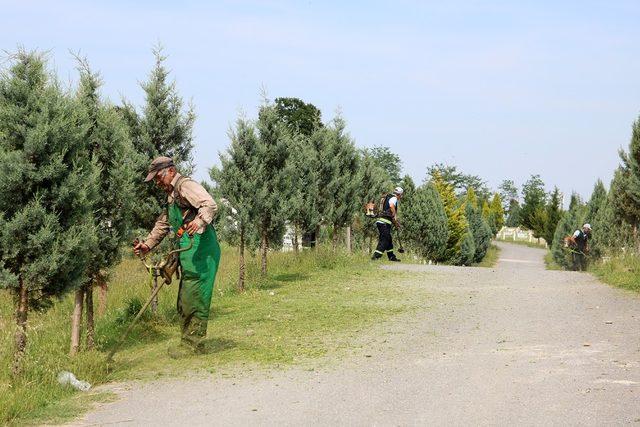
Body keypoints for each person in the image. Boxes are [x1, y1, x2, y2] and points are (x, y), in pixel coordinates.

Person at [133, 156, 221, 358]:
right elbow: (163, 223)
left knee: (195, 298)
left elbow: (210, 205)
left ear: (170, 171)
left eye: (158, 178)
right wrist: (147, 245)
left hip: (202, 251)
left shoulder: (185, 185)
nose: (156, 182)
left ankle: (194, 346)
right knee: (184, 301)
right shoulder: (172, 196)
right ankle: (188, 342)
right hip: (188, 251)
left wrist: (199, 222)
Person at [372, 187, 403, 262]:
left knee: (389, 240)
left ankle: (391, 257)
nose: (401, 197)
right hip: (384, 223)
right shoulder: (394, 198)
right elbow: (391, 206)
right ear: (399, 194)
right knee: (384, 240)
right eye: (401, 195)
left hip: (382, 222)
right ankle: (376, 257)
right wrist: (394, 215)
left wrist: (395, 223)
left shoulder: (387, 197)